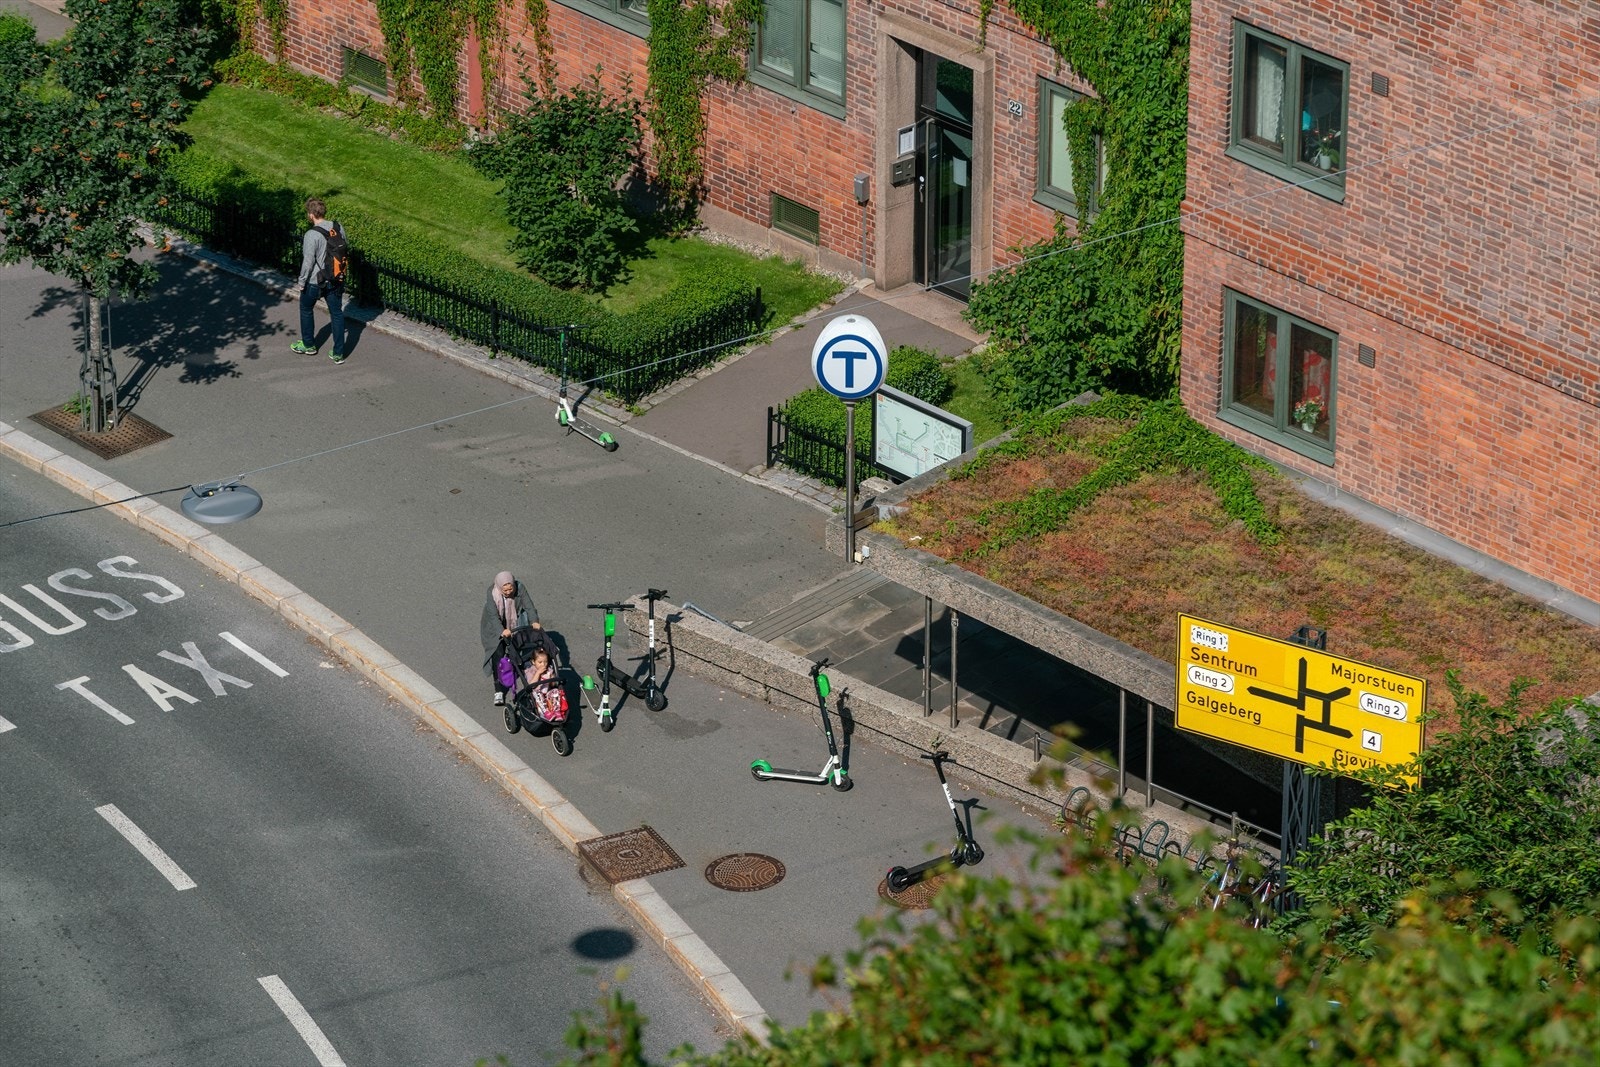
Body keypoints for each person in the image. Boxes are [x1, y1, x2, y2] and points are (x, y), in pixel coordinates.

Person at [291, 198, 348, 363]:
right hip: (336, 278)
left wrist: (301, 282)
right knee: (337, 314)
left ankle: (308, 345)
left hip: (316, 281)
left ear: (310, 215)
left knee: (306, 308)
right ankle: (338, 353)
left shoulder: (312, 234)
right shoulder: (338, 227)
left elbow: (308, 263)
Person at [481, 570, 541, 706]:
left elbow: (529, 606)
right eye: (505, 590)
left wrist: (534, 621)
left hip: (514, 622)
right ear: (499, 587)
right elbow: (493, 616)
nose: (508, 592)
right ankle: (498, 690)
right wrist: (502, 631)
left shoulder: (520, 588)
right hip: (495, 627)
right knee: (498, 654)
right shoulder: (492, 593)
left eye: (511, 588)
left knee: (524, 648)